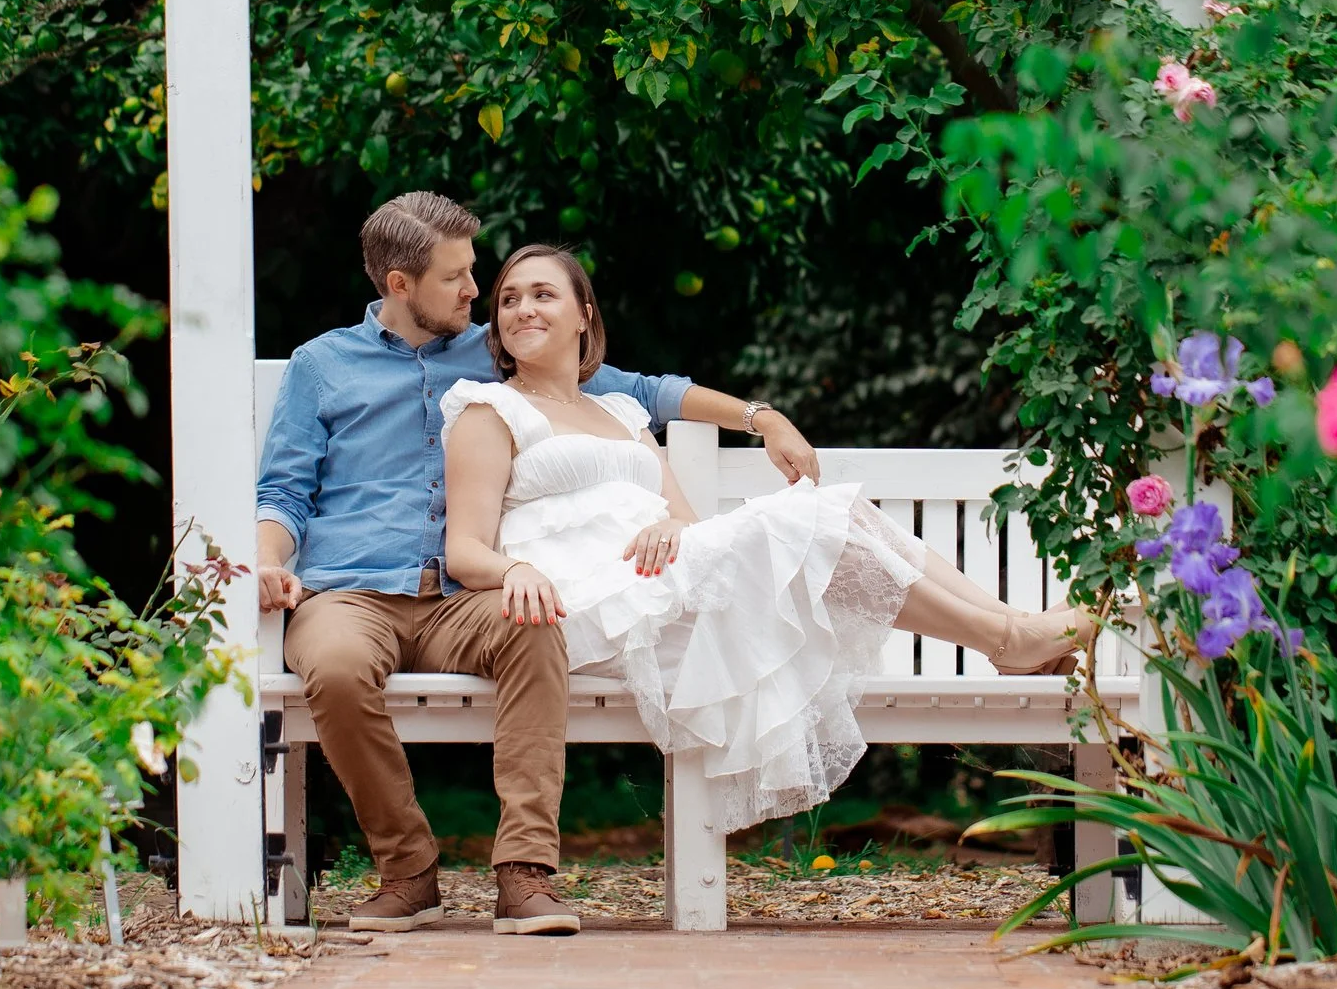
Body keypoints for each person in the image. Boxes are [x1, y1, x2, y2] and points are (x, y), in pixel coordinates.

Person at [256, 193, 824, 937]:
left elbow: (649, 392)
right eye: (457, 277)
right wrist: (269, 561)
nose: (474, 292)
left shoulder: (493, 349)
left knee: (534, 623)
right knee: (330, 666)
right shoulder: (321, 366)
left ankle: (525, 872)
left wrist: (761, 416)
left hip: (471, 586)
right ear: (400, 284)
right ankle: (407, 868)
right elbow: (284, 490)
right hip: (352, 590)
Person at [441, 245, 1097, 842]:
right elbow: (465, 549)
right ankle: (1006, 638)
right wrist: (518, 568)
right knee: (814, 516)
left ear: (584, 314)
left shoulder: (622, 413)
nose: (522, 307)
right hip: (589, 602)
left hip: (665, 583)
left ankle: (1008, 633)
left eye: (542, 293)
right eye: (508, 298)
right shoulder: (488, 408)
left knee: (834, 512)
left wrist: (675, 524)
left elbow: (693, 529)